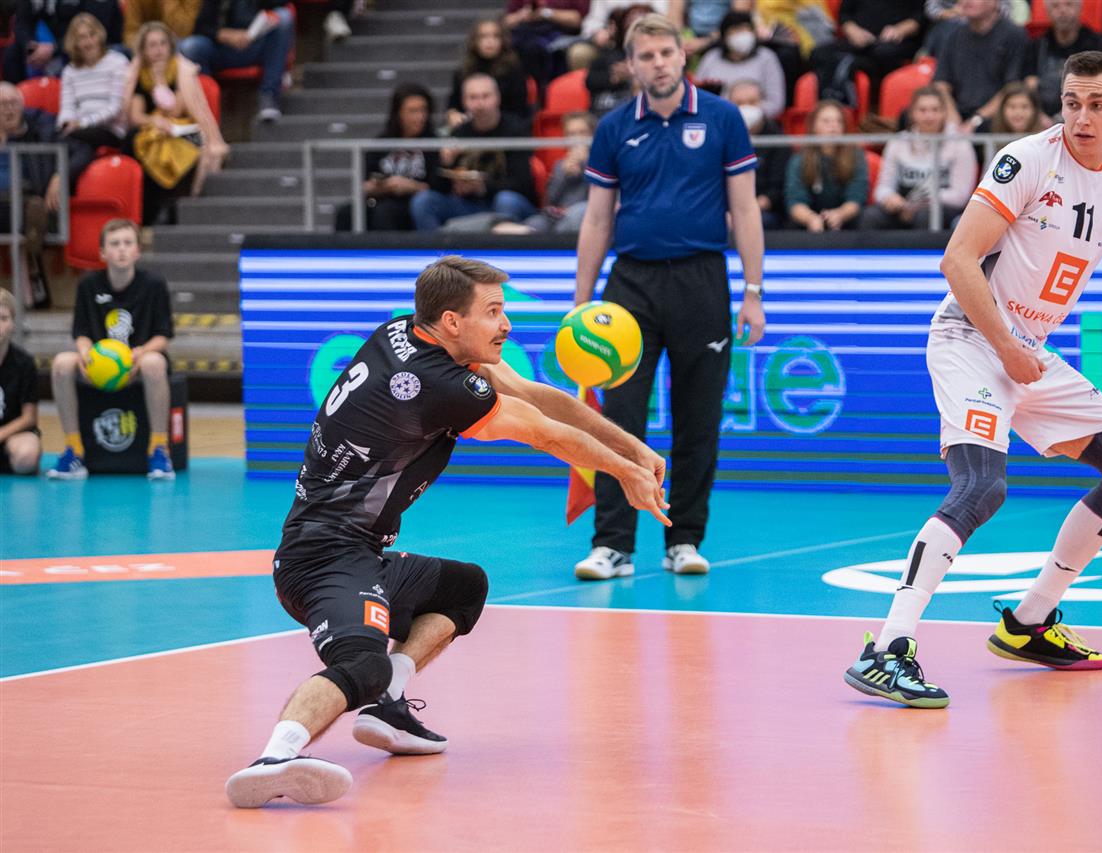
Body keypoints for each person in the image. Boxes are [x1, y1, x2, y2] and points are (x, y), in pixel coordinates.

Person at [223, 255, 670, 808]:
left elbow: (536, 397)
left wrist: (633, 449)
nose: (507, 324)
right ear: (453, 321)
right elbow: (544, 433)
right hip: (322, 558)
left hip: (359, 550)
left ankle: (387, 703)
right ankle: (274, 759)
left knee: (463, 588)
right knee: (361, 663)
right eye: (494, 312)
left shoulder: (408, 333)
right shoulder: (439, 384)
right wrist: (625, 474)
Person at [843, 51, 1102, 710]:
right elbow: (957, 260)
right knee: (982, 485)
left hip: (1025, 352)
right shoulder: (1028, 160)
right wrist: (1005, 346)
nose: (1081, 117)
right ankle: (886, 649)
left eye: (1097, 105)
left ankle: (1030, 621)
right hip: (971, 340)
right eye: (1071, 103)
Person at [573, 13, 765, 580]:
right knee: (618, 421)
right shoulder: (614, 128)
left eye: (665, 53)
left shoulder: (723, 118)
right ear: (631, 65)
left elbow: (745, 209)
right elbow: (596, 220)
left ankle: (683, 539)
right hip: (629, 286)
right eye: (646, 56)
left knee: (698, 420)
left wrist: (753, 291)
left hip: (702, 281)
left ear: (683, 57)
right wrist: (582, 302)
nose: (657, 64)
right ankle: (612, 545)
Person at [47, 219, 177, 481]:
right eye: (115, 244)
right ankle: (74, 450)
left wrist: (140, 352)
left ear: (138, 251)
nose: (122, 249)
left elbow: (163, 336)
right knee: (61, 363)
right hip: (99, 368)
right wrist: (85, 352)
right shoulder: (88, 285)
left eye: (128, 243)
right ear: (102, 252)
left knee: (154, 362)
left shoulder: (154, 284)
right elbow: (81, 333)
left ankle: (159, 449)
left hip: (137, 364)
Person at [125, 22, 229, 226]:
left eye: (162, 43)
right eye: (152, 45)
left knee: (191, 143)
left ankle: (174, 206)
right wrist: (154, 120)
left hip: (181, 127)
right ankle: (154, 209)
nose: (158, 50)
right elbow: (135, 116)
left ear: (170, 46)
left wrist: (160, 81)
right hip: (153, 129)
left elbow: (176, 109)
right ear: (143, 50)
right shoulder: (139, 75)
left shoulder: (182, 71)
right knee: (144, 142)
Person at [410, 73, 537, 233]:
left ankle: (503, 247)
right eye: (473, 97)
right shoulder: (458, 133)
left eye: (485, 96)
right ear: (464, 101)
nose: (480, 103)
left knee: (506, 200)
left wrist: (483, 187)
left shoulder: (515, 130)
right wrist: (445, 163)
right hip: (467, 204)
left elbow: (524, 183)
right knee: (424, 201)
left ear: (497, 97)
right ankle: (436, 248)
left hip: (504, 203)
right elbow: (437, 186)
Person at [858, 84, 977, 230]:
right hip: (902, 206)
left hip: (941, 208)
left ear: (944, 113)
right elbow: (882, 188)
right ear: (912, 113)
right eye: (922, 110)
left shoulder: (960, 144)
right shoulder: (898, 142)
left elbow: (960, 195)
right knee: (870, 216)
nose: (929, 116)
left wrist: (920, 202)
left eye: (935, 110)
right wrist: (890, 198)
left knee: (925, 216)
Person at [336, 83, 440, 232]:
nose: (420, 117)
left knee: (386, 213)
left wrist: (410, 186)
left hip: (413, 203)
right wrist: (382, 186)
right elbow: (366, 182)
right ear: (398, 113)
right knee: (346, 213)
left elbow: (438, 187)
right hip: (381, 198)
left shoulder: (434, 144)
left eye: (423, 110)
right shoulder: (382, 143)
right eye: (413, 111)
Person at [180, 0, 295, 123]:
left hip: (255, 44)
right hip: (221, 48)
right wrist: (222, 34)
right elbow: (200, 27)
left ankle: (269, 96)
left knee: (284, 16)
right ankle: (202, 106)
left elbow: (281, 3)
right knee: (190, 47)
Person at [55, 12, 129, 193]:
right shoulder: (70, 70)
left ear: (99, 36)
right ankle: (62, 187)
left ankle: (56, 184)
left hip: (109, 129)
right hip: (79, 131)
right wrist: (65, 122)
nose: (88, 42)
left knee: (65, 140)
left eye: (91, 35)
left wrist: (82, 123)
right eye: (82, 37)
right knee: (80, 147)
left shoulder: (117, 62)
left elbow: (116, 107)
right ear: (74, 42)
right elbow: (67, 106)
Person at [0, 81, 57, 308]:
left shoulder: (35, 132)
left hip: (22, 201)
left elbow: (76, 147)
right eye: (3, 104)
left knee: (33, 208)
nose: (9, 109)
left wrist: (58, 175)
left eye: (13, 103)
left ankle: (32, 260)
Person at [933, 0, 1029, 134]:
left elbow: (1011, 87)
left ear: (994, 2)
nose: (966, 1)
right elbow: (941, 82)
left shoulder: (1014, 35)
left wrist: (977, 119)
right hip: (959, 113)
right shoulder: (953, 35)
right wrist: (952, 115)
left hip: (997, 115)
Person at [495, 110, 595, 234]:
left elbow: (598, 198)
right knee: (532, 223)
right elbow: (550, 201)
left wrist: (586, 166)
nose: (577, 139)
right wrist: (564, 175)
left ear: (592, 135)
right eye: (571, 134)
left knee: (576, 214)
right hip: (554, 216)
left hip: (582, 217)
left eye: (582, 132)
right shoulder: (560, 165)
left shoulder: (601, 163)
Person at [812, 0, 923, 105]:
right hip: (858, 40)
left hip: (896, 42)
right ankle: (828, 103)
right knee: (820, 53)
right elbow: (844, 14)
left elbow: (921, 16)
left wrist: (900, 30)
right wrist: (853, 31)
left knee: (882, 53)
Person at [784, 100, 869, 231]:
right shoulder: (799, 159)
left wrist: (840, 214)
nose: (833, 126)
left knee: (866, 218)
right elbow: (795, 200)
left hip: (846, 218)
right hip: (810, 220)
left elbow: (857, 197)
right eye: (826, 121)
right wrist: (810, 218)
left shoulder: (856, 156)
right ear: (813, 126)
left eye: (839, 121)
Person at [1020, 0, 1102, 120]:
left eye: (1069, 4)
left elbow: (1101, 88)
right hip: (1040, 119)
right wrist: (1038, 117)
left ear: (1080, 9)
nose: (1062, 11)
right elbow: (1028, 86)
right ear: (1047, 12)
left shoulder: (1098, 45)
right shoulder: (1037, 45)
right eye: (1055, 6)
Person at [693, 11, 786, 118]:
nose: (742, 34)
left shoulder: (766, 57)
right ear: (725, 36)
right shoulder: (711, 58)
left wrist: (750, 114)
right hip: (718, 117)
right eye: (735, 31)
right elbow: (697, 95)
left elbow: (776, 102)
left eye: (746, 29)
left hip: (759, 120)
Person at [445, 19, 530, 131]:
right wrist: (453, 114)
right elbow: (454, 104)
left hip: (506, 128)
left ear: (502, 41)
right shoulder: (463, 71)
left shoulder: (514, 71)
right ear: (475, 41)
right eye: (484, 37)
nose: (490, 41)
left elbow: (519, 109)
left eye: (495, 36)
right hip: (471, 126)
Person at [727, 79, 788, 229]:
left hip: (764, 210)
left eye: (752, 102)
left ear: (762, 103)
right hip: (725, 208)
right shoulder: (720, 136)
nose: (746, 107)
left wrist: (748, 210)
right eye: (739, 103)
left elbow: (778, 189)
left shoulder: (777, 139)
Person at [503, 0, 589, 90]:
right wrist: (521, 15)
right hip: (526, 36)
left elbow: (578, 20)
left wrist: (546, 13)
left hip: (560, 35)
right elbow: (506, 21)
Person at [0, 289, 41, 475]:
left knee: (27, 456)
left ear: (13, 323)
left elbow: (29, 417)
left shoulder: (24, 363)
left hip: (13, 435)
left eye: (3, 318)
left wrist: (1, 434)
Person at [123, 0, 202, 47]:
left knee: (190, 46)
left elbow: (183, 32)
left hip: (179, 42)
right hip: (145, 47)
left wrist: (168, 2)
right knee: (119, 52)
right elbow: (131, 31)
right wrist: (143, 48)